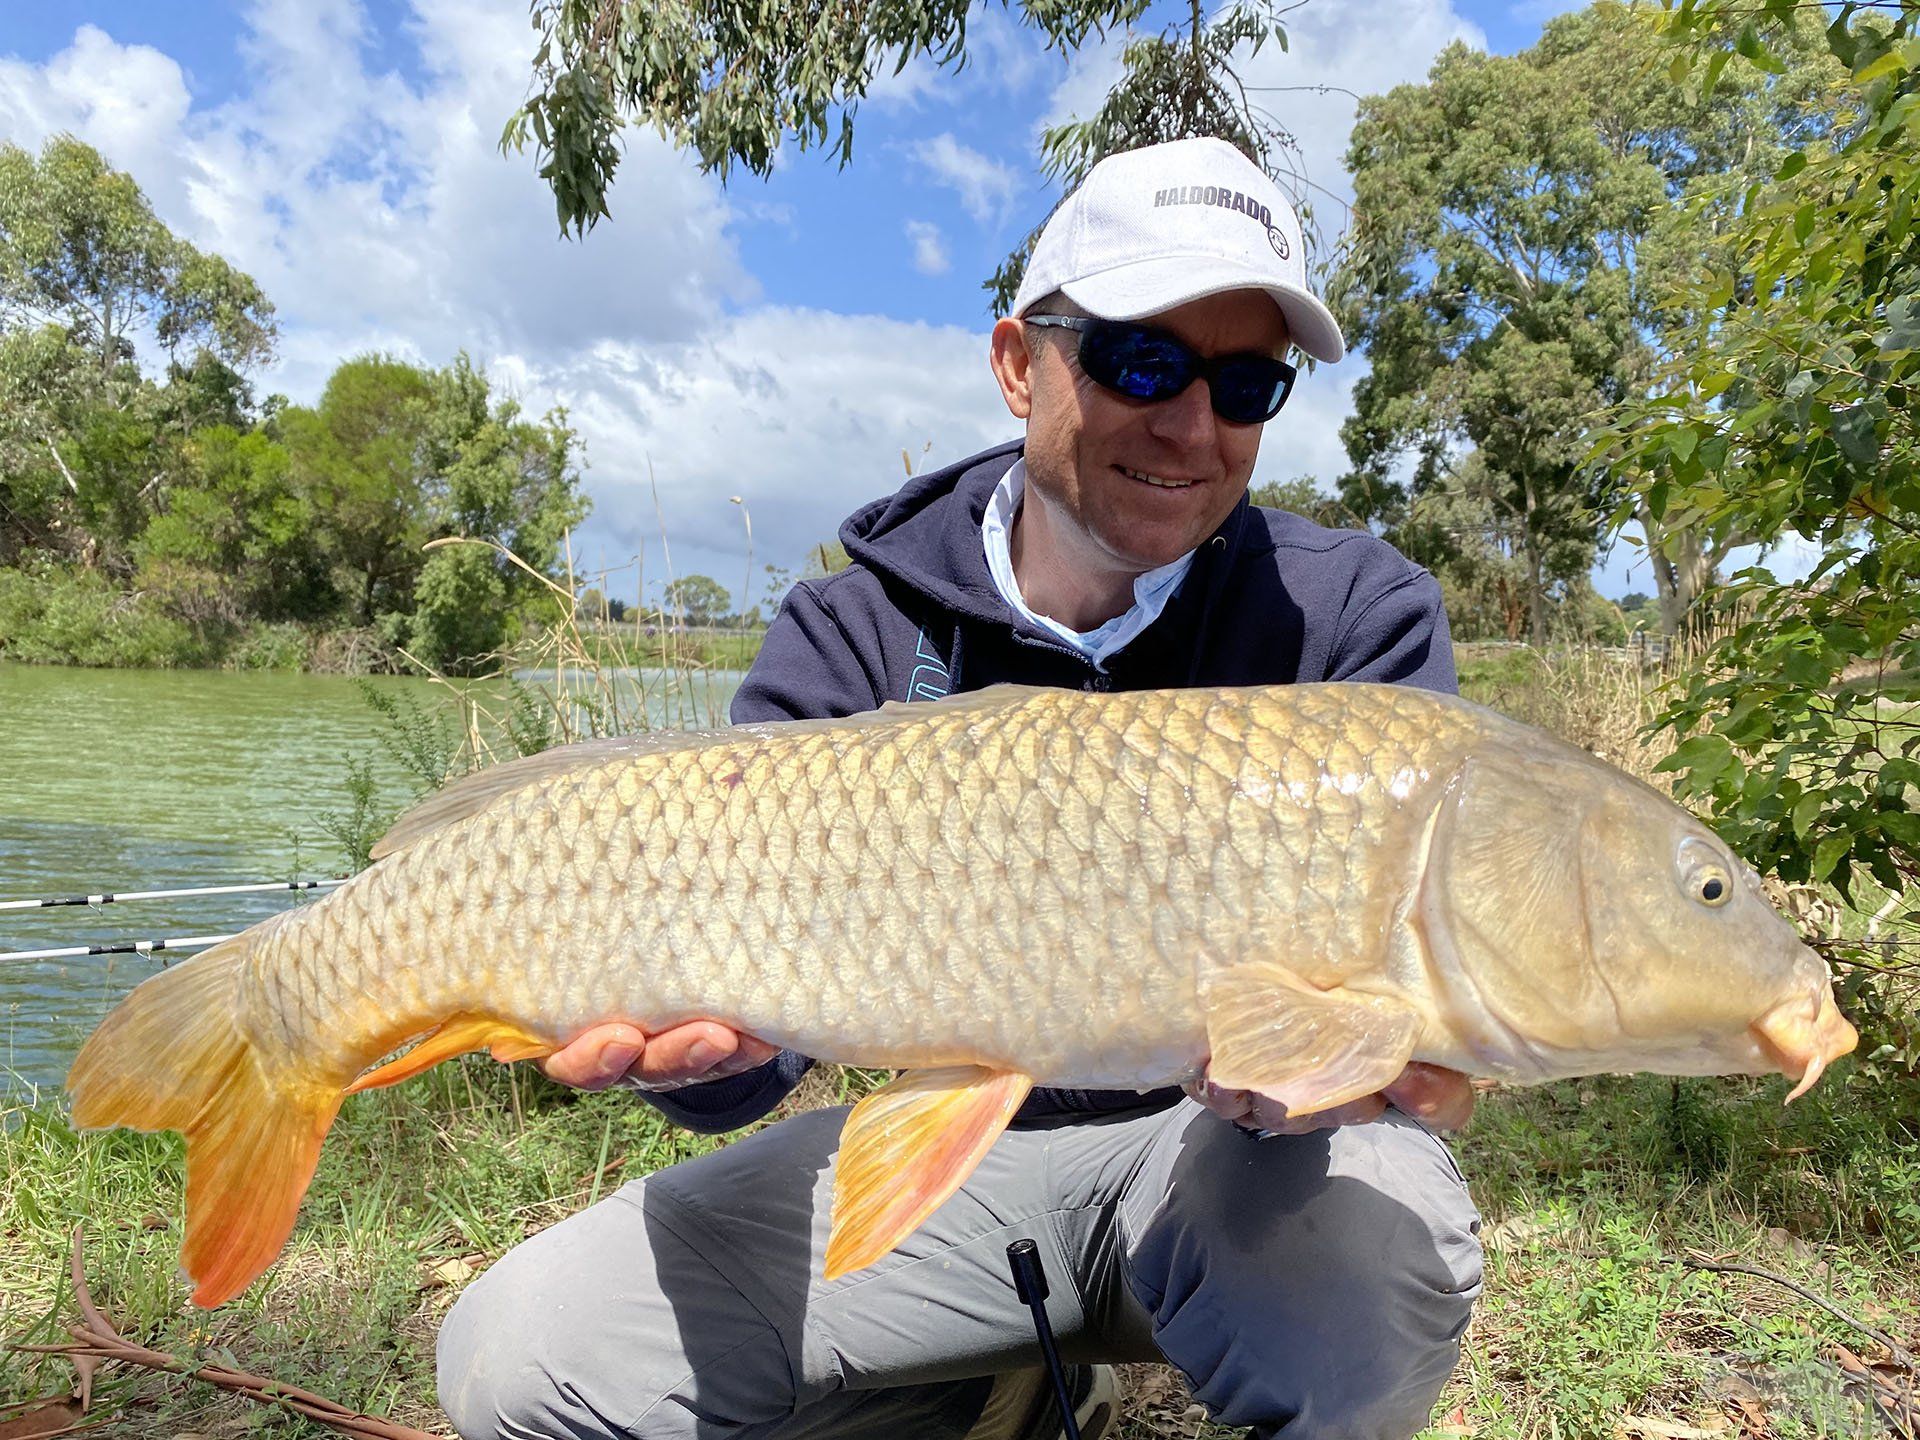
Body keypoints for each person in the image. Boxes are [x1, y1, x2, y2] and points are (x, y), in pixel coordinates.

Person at [437, 136, 1483, 1440]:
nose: (1191, 423)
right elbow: (738, 1076)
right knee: (518, 1361)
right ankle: (996, 1384)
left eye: (1245, 384)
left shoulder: (1351, 620)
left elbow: (1418, 990)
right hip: (944, 1166)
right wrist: (701, 1055)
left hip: (1219, 1167)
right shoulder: (854, 628)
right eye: (1141, 360)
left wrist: (1386, 1057)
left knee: (1380, 1255)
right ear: (1015, 364)